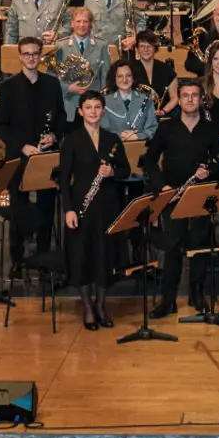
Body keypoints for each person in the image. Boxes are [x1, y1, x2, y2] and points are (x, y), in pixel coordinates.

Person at [144, 81, 219, 321]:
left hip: (199, 195)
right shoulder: (166, 128)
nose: (190, 100)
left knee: (199, 246)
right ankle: (168, 299)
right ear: (178, 100)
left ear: (201, 99)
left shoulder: (210, 129)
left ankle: (197, 294)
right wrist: (163, 187)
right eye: (185, 96)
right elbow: (148, 161)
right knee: (172, 247)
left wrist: (208, 172)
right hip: (173, 195)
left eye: (194, 96)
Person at [60, 90, 133, 328]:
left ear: (103, 110)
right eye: (88, 107)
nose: (93, 112)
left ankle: (102, 305)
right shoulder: (72, 140)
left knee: (104, 255)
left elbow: (125, 170)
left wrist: (112, 172)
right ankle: (88, 307)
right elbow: (63, 179)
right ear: (80, 111)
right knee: (82, 256)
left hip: (107, 206)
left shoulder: (112, 139)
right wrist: (68, 209)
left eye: (97, 107)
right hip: (81, 206)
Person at [0, 38, 66, 266]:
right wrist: (22, 145)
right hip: (19, 156)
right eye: (26, 54)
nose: (31, 58)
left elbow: (62, 118)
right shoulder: (7, 87)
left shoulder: (52, 85)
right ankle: (17, 257)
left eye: (35, 53)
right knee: (18, 206)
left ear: (41, 54)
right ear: (20, 56)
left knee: (46, 205)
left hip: (45, 155)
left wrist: (53, 135)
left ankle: (43, 256)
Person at [53, 10, 109, 119]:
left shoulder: (102, 45)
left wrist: (103, 102)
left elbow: (105, 76)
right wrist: (68, 88)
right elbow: (54, 76)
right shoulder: (61, 45)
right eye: (78, 21)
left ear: (91, 24)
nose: (81, 25)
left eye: (85, 21)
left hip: (94, 107)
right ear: (72, 23)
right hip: (69, 104)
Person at [101, 60, 158, 141]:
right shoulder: (105, 101)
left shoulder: (147, 99)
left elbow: (152, 129)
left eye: (128, 75)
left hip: (140, 147)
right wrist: (120, 135)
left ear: (133, 77)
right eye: (120, 76)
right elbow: (103, 130)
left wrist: (138, 136)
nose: (125, 80)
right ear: (114, 79)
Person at [127, 31, 180, 115]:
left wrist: (163, 112)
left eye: (149, 46)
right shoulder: (128, 69)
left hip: (163, 117)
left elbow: (175, 98)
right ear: (137, 49)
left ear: (155, 48)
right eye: (142, 46)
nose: (146, 50)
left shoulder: (167, 69)